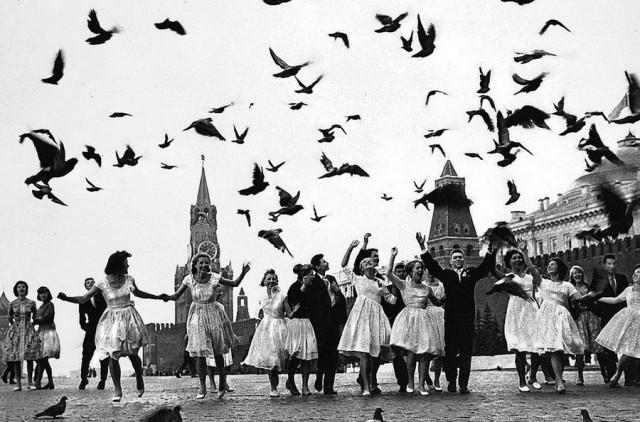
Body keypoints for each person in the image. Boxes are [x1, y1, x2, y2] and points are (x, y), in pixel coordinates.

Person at [58, 251, 163, 402]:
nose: (128, 265)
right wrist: (66, 298)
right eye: (126, 262)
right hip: (111, 320)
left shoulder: (129, 279)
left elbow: (139, 293)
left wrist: (158, 297)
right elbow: (83, 299)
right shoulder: (102, 283)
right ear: (119, 264)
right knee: (113, 354)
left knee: (133, 354)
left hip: (129, 318)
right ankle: (117, 389)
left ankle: (139, 377)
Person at [416, 232, 497, 394]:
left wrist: (490, 250)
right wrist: (423, 248)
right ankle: (451, 381)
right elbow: (433, 267)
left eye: (461, 257)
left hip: (467, 319)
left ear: (464, 260)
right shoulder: (446, 275)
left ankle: (464, 384)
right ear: (451, 261)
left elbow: (485, 267)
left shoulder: (471, 274)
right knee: (451, 352)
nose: (459, 259)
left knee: (466, 352)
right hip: (451, 319)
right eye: (456, 257)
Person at [162, 252, 249, 399]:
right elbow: (176, 296)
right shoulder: (189, 279)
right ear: (194, 264)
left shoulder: (215, 277)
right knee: (200, 353)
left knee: (218, 351)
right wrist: (164, 297)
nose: (204, 265)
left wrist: (243, 273)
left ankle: (222, 382)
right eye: (201, 262)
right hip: (196, 316)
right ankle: (202, 386)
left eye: (206, 262)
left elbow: (234, 284)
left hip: (213, 314)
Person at [339, 240, 396, 396]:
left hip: (377, 317)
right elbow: (344, 265)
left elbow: (391, 299)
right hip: (362, 316)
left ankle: (371, 381)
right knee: (364, 352)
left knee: (376, 353)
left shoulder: (380, 282)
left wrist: (399, 289)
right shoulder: (357, 279)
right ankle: (365, 386)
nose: (370, 264)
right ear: (361, 268)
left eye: (371, 262)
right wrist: (350, 247)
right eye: (366, 263)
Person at [353, 233, 408, 393]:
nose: (375, 260)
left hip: (384, 317)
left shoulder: (380, 278)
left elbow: (389, 299)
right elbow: (356, 264)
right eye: (372, 258)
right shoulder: (362, 278)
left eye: (376, 258)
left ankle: (400, 382)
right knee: (371, 352)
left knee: (387, 351)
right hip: (367, 317)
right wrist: (364, 244)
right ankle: (369, 382)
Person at [387, 248, 444, 396]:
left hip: (424, 320)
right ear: (411, 272)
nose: (420, 271)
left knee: (424, 353)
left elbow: (437, 302)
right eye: (417, 268)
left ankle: (422, 385)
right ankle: (410, 383)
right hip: (409, 319)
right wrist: (393, 256)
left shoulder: (427, 288)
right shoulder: (404, 285)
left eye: (422, 269)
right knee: (411, 352)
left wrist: (449, 294)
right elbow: (388, 274)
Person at [533, 258, 584, 394]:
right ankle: (560, 380)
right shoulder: (543, 283)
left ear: (559, 268)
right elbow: (532, 269)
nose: (550, 266)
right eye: (548, 265)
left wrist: (595, 295)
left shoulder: (567, 286)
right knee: (555, 349)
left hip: (562, 317)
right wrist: (524, 252)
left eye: (553, 265)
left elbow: (579, 298)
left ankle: (558, 378)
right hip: (547, 317)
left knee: (561, 350)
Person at [583, 254, 636, 385]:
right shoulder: (598, 281)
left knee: (628, 346)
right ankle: (612, 376)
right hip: (606, 316)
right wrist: (599, 313)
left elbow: (626, 298)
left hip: (624, 317)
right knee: (609, 347)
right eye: (609, 264)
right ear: (604, 265)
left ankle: (630, 378)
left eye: (614, 264)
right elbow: (590, 299)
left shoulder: (622, 278)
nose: (612, 266)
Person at [495, 248, 542, 392]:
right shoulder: (507, 277)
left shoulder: (529, 278)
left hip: (531, 310)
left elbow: (537, 279)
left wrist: (525, 252)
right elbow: (494, 271)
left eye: (519, 258)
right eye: (514, 258)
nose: (517, 260)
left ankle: (533, 376)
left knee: (536, 347)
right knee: (520, 349)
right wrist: (494, 252)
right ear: (509, 262)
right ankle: (522, 381)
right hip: (516, 312)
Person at [242, 269, 290, 397]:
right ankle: (273, 387)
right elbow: (259, 312)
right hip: (266, 328)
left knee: (283, 358)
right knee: (270, 359)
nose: (271, 281)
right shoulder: (261, 296)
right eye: (268, 279)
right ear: (264, 281)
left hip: (280, 327)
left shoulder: (282, 295)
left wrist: (295, 312)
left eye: (273, 279)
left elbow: (289, 313)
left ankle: (288, 381)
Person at [308, 253, 347, 395]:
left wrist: (338, 293)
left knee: (333, 354)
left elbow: (339, 298)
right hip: (320, 322)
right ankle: (319, 376)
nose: (327, 263)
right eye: (324, 262)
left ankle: (328, 386)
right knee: (322, 352)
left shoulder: (331, 279)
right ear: (317, 266)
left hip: (333, 320)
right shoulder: (314, 280)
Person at [595, 264, 640, 388]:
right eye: (634, 272)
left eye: (638, 272)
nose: (634, 274)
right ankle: (618, 374)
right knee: (629, 350)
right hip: (632, 321)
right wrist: (599, 298)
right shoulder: (629, 289)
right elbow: (615, 300)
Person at [285, 264, 319, 396]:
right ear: (304, 276)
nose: (313, 277)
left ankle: (305, 386)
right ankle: (291, 380)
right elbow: (297, 302)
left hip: (307, 322)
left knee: (307, 356)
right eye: (311, 274)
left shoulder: (312, 288)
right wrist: (303, 287)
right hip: (297, 323)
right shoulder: (294, 287)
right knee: (296, 353)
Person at [2, 281, 40, 391]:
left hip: (28, 329)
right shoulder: (12, 303)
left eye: (23, 287)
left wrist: (32, 325)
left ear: (26, 289)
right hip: (17, 330)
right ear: (16, 289)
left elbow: (35, 316)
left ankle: (29, 382)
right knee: (16, 358)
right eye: (19, 287)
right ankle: (18, 383)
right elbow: (9, 317)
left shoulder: (31, 303)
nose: (21, 289)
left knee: (29, 357)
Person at [569, 265, 603, 386]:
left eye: (579, 273)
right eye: (575, 273)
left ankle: (604, 372)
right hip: (579, 319)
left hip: (591, 318)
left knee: (597, 346)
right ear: (572, 276)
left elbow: (596, 299)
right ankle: (579, 375)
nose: (577, 275)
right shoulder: (570, 288)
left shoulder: (588, 287)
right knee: (580, 348)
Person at [78, 277, 109, 390]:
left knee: (104, 355)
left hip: (103, 329)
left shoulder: (104, 296)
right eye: (88, 283)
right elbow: (81, 319)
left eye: (92, 282)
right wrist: (87, 328)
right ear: (85, 286)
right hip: (91, 330)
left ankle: (103, 380)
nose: (90, 284)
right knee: (86, 355)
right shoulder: (83, 300)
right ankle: (83, 379)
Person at [33, 287, 60, 390]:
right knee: (41, 359)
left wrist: (36, 320)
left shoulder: (50, 304)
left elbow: (48, 317)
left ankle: (39, 381)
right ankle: (49, 382)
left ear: (48, 294)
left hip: (47, 332)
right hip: (41, 332)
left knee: (43, 358)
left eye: (44, 293)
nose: (42, 295)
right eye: (40, 294)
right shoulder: (41, 306)